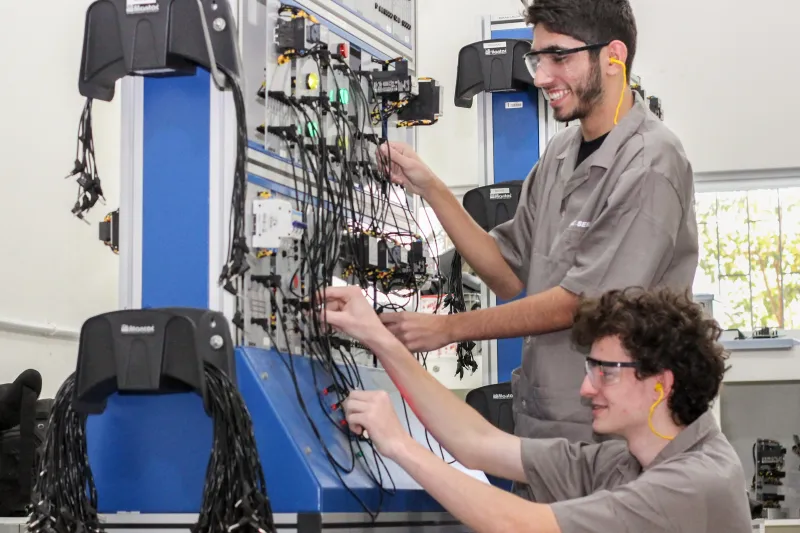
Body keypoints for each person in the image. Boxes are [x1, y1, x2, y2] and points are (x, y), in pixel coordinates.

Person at [378, 0, 699, 442]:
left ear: (614, 57)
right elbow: (508, 274)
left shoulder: (650, 164)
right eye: (537, 57)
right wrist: (430, 187)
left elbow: (580, 303)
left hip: (615, 438)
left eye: (560, 57)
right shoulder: (560, 154)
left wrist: (448, 328)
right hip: (543, 426)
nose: (542, 76)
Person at [319, 285, 751, 533]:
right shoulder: (626, 461)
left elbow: (520, 526)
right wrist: (379, 338)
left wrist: (399, 445)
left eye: (606, 373)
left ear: (661, 384)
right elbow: (478, 443)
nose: (586, 388)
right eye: (590, 369)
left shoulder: (693, 484)